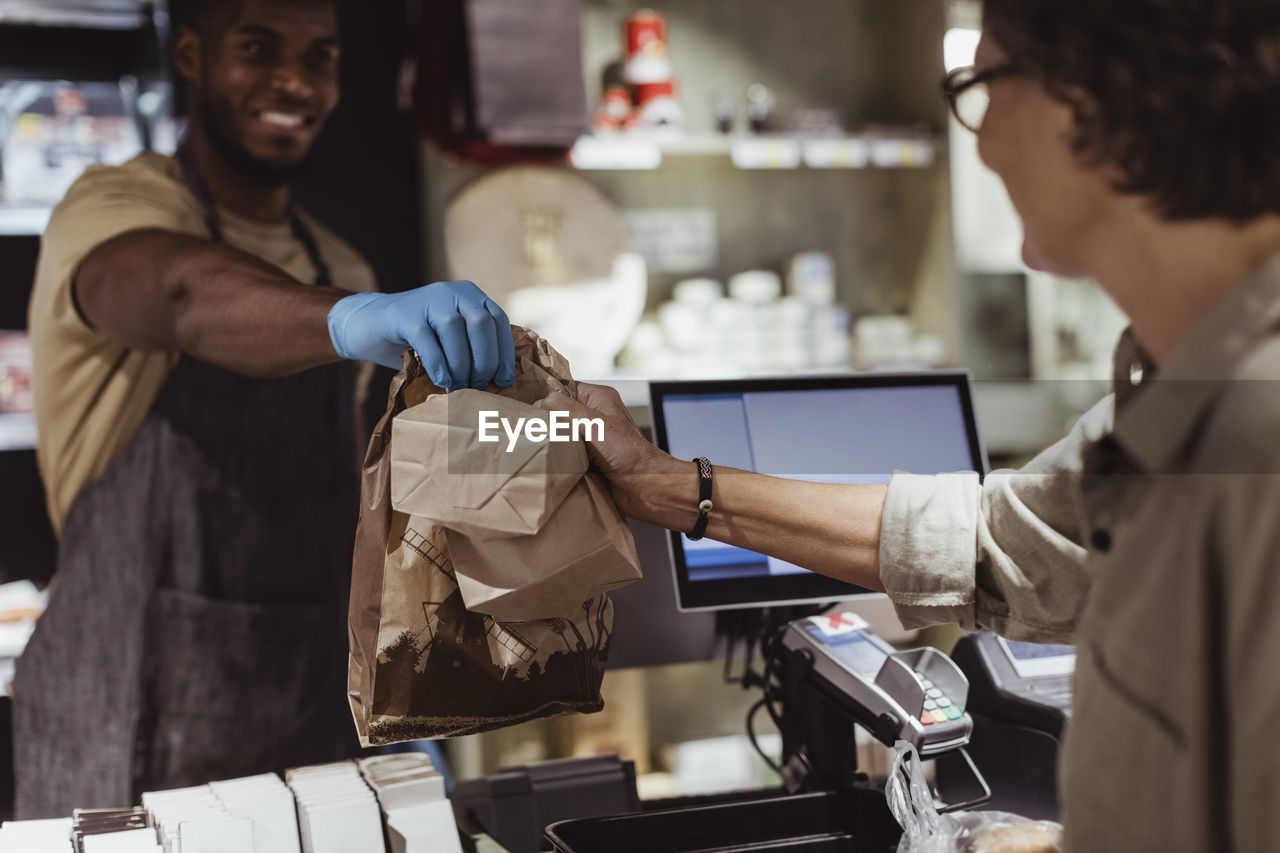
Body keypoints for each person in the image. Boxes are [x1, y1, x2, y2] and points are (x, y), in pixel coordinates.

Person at [540, 1, 1280, 850]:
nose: (982, 137)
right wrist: (666, 485)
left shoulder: (1254, 436)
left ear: (1084, 102)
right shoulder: (1175, 391)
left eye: (979, 86)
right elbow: (993, 538)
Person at [17, 0, 514, 818]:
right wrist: (346, 320)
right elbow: (182, 295)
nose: (294, 81)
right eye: (257, 48)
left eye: (319, 58)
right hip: (118, 692)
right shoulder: (111, 206)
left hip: (306, 691)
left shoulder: (338, 260)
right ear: (191, 55)